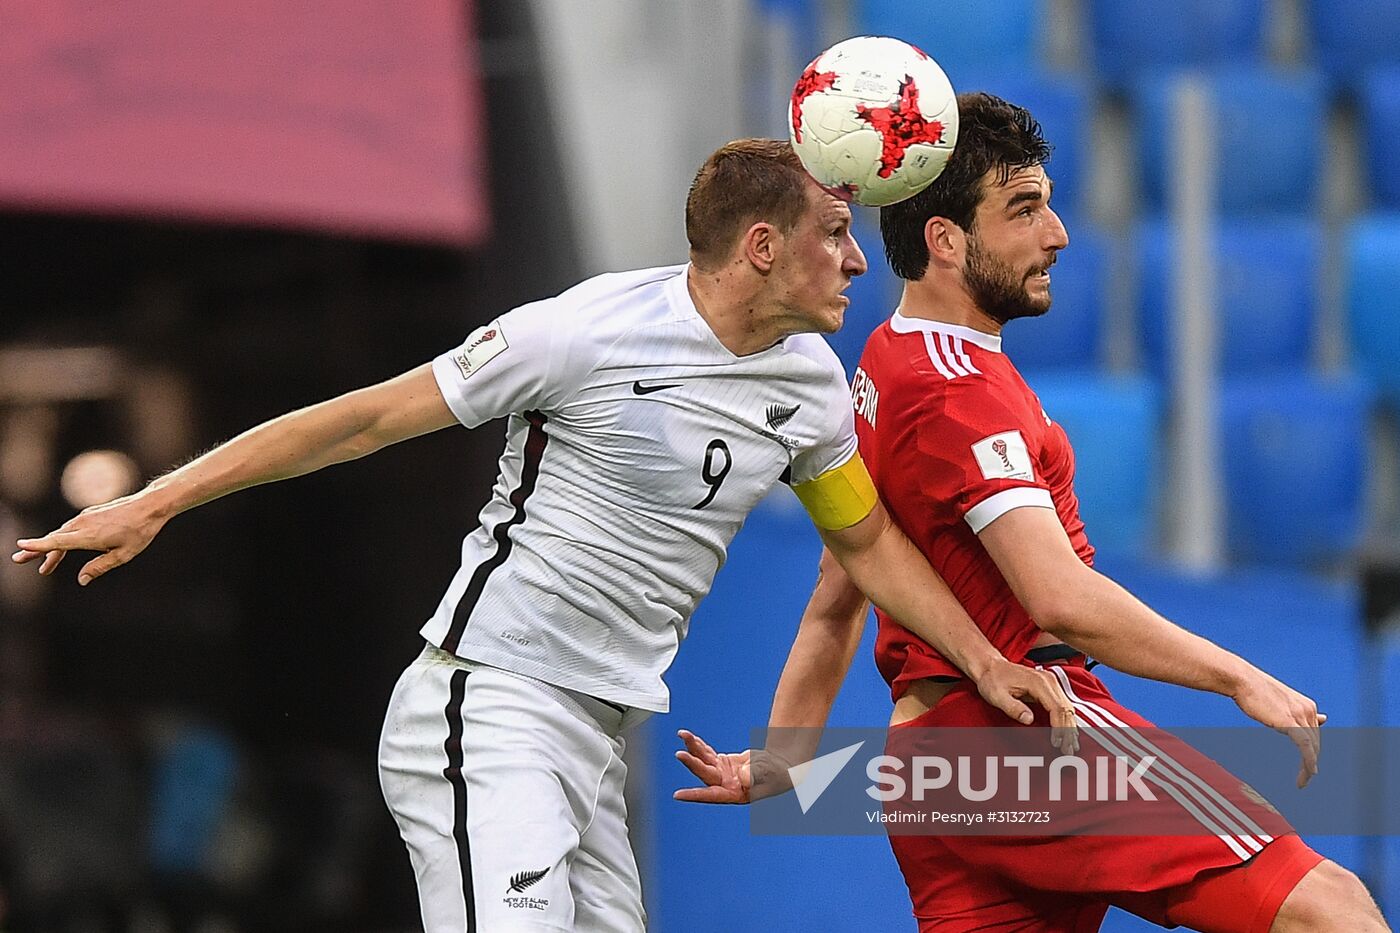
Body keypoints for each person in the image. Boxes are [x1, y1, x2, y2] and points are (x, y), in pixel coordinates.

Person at [13, 138, 1079, 933]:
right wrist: (158, 499)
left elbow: (867, 545)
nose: (857, 263)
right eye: (835, 237)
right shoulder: (577, 333)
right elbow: (362, 420)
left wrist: (983, 660)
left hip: (598, 732)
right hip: (490, 706)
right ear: (762, 247)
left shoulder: (806, 385)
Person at [676, 99, 1391, 932]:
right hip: (1024, 740)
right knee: (1332, 908)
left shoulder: (883, 364)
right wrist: (1242, 676)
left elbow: (840, 590)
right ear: (944, 239)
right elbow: (1058, 597)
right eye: (1023, 209)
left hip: (934, 776)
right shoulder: (956, 391)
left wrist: (787, 756)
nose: (1056, 234)